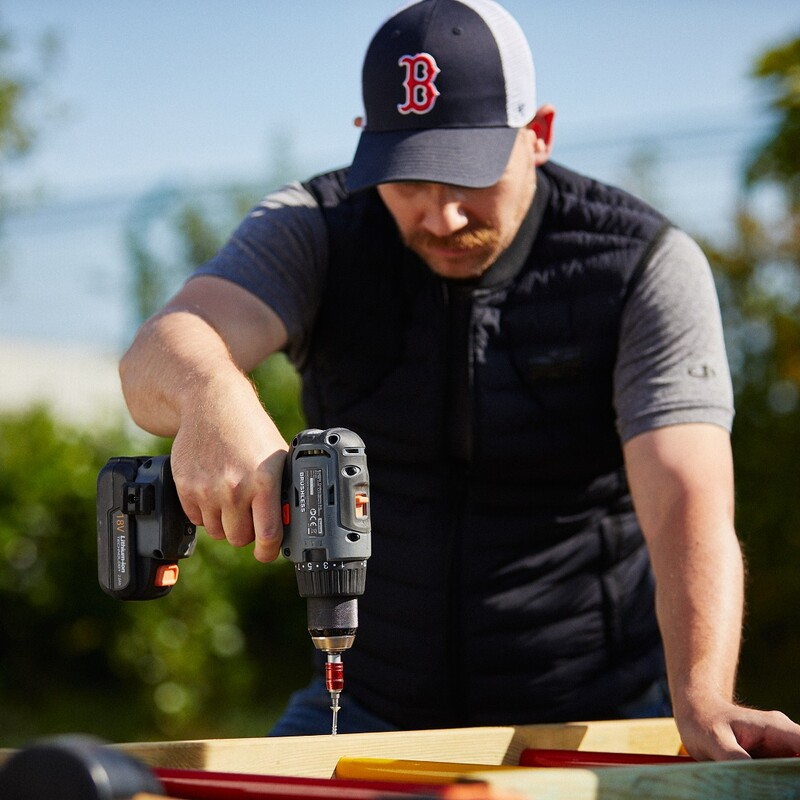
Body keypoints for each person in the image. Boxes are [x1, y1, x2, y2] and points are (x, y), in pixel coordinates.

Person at [119, 0, 800, 760]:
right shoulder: (314, 226)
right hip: (362, 700)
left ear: (536, 135)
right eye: (407, 180)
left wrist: (701, 694)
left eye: (467, 178)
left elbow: (685, 496)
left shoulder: (641, 263)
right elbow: (156, 355)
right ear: (365, 148)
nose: (439, 217)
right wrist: (210, 393)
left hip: (592, 713)